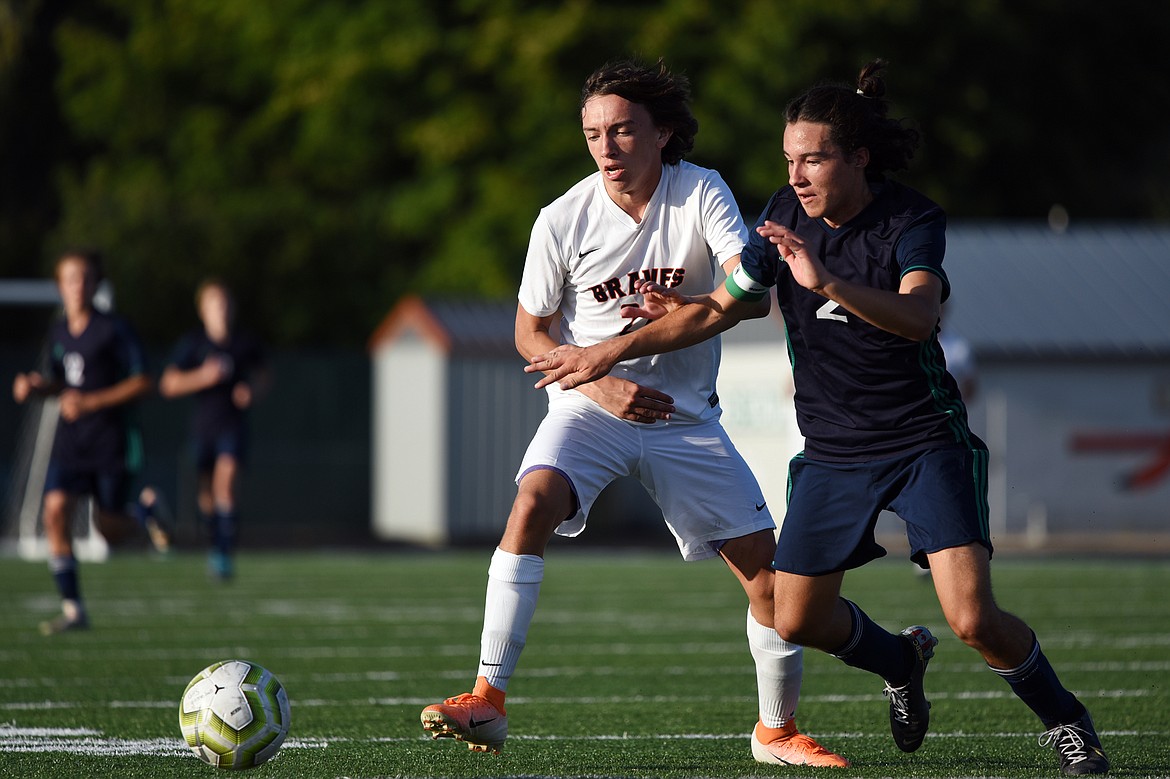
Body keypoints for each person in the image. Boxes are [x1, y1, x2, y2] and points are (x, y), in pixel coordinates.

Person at [526, 60, 1110, 776]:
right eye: (789, 160)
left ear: (857, 157)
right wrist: (614, 348)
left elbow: (920, 315)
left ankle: (1067, 721)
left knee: (973, 619)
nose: (797, 175)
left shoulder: (911, 220)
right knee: (792, 615)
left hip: (924, 440)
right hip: (834, 452)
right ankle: (899, 657)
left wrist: (828, 280)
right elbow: (724, 305)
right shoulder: (785, 215)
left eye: (814, 158)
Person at [419, 59, 847, 768]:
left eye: (622, 130)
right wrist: (598, 382)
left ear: (663, 132)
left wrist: (680, 315)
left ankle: (775, 731)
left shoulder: (701, 190)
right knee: (532, 501)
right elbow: (530, 333)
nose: (607, 148)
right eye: (593, 133)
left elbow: (749, 295)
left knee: (768, 582)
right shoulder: (562, 217)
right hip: (590, 408)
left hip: (685, 418)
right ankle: (487, 698)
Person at [12, 248, 170, 635]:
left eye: (84, 278)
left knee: (108, 529)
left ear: (95, 284)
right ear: (59, 286)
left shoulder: (114, 330)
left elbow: (144, 380)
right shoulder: (59, 331)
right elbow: (60, 382)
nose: (77, 286)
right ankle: (73, 609)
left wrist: (93, 401)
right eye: (70, 278)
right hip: (72, 442)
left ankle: (143, 516)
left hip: (111, 441)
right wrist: (35, 388)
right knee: (54, 512)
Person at [159, 278, 268, 581]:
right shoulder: (193, 344)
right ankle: (215, 546)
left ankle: (224, 553)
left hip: (233, 426)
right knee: (207, 494)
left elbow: (264, 376)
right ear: (202, 310)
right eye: (214, 303)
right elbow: (169, 384)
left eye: (225, 303)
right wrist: (203, 377)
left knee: (226, 484)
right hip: (204, 426)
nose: (220, 309)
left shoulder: (244, 343)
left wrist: (252, 391)